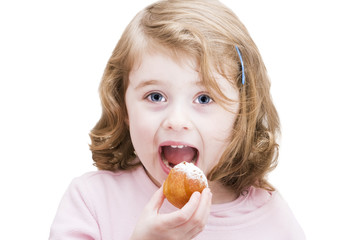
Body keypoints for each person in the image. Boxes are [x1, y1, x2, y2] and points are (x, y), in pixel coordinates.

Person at [49, 0, 305, 239]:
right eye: (156, 96)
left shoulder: (272, 217)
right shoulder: (92, 201)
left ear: (242, 112)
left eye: (204, 99)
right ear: (123, 107)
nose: (177, 120)